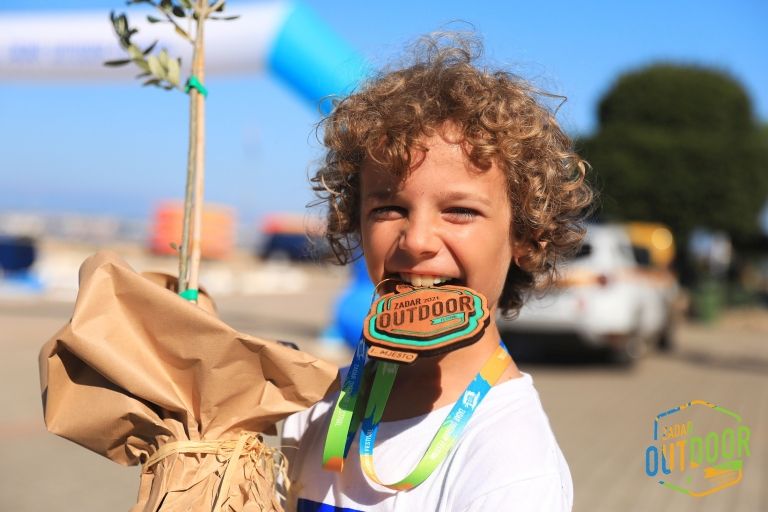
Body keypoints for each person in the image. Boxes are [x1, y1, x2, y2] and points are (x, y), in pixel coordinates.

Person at [281, 34, 593, 512]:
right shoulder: (318, 408)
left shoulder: (511, 468)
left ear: (528, 240)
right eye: (388, 207)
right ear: (355, 223)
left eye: (461, 211)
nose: (417, 239)